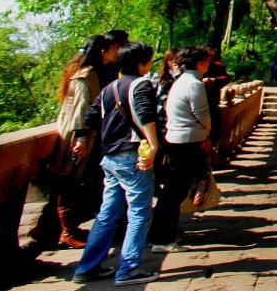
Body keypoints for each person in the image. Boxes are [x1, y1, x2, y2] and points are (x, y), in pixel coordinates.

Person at [70, 42, 162, 286]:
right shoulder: (140, 84)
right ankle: (128, 269)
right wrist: (153, 145)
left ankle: (86, 267)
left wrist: (82, 138)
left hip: (109, 158)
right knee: (139, 212)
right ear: (143, 62)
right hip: (132, 156)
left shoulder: (109, 87)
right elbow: (146, 114)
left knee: (107, 214)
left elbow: (89, 117)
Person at [53, 34, 119, 247]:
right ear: (103, 52)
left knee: (78, 180)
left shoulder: (88, 73)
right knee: (69, 179)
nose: (116, 52)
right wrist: (81, 138)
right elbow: (81, 108)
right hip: (77, 135)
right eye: (112, 48)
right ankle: (67, 232)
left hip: (84, 133)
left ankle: (71, 229)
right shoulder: (85, 75)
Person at [150, 47, 211, 252]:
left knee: (173, 190)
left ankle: (161, 235)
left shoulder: (181, 81)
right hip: (186, 142)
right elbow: (202, 114)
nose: (208, 64)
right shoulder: (194, 84)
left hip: (176, 139)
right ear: (199, 63)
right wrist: (207, 129)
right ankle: (162, 239)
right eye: (206, 61)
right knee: (175, 192)